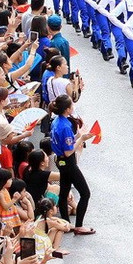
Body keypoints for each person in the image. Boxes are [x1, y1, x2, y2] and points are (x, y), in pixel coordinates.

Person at [49, 94, 96, 235]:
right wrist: (81, 138)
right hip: (68, 161)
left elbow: (66, 142)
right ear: (68, 109)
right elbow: (69, 151)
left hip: (60, 160)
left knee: (64, 192)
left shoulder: (57, 121)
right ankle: (79, 226)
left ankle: (66, 222)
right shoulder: (65, 126)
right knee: (85, 193)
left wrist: (79, 136)